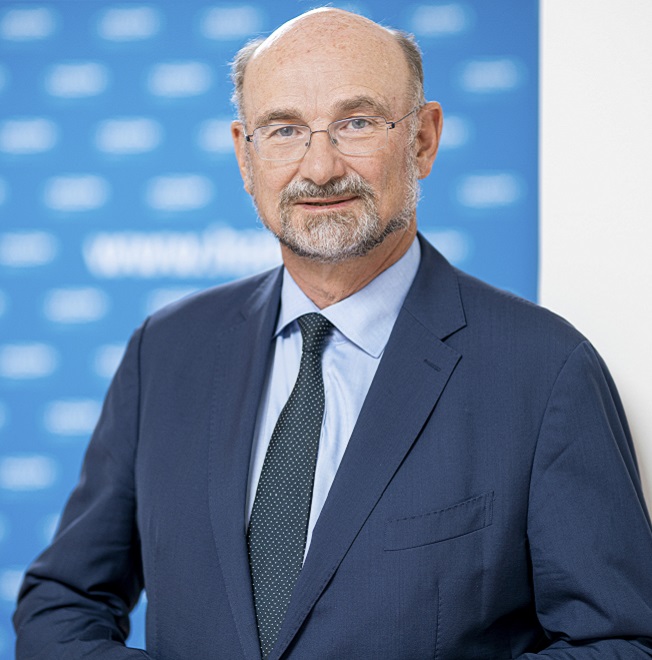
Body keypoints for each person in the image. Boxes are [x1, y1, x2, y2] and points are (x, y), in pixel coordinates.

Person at [13, 7, 652, 659]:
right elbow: (61, 604)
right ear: (245, 154)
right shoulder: (167, 351)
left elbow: (621, 642)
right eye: (285, 129)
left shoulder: (544, 372)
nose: (319, 168)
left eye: (357, 123)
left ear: (424, 140)